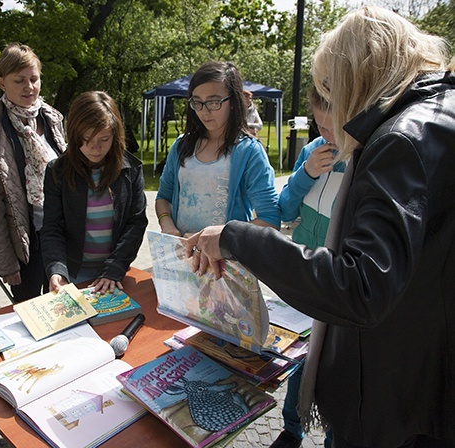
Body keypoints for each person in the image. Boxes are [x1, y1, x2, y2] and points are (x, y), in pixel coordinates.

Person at [186, 6, 455, 447]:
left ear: (355, 80)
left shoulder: (401, 139)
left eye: (330, 90)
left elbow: (361, 284)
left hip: (395, 402)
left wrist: (238, 235)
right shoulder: (440, 114)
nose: (327, 114)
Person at [270, 85, 344, 448]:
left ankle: (334, 435)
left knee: (335, 371)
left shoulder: (365, 161)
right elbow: (284, 209)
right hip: (303, 282)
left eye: (335, 129)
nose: (327, 137)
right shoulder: (313, 152)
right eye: (320, 128)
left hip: (337, 286)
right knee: (298, 364)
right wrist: (306, 173)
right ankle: (290, 429)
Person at [0, 43, 66, 302]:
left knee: (63, 307)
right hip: (25, 245)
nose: (29, 87)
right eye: (19, 81)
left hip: (59, 232)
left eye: (34, 79)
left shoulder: (51, 118)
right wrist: (6, 263)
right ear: (2, 83)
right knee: (31, 314)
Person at [155, 61, 280, 237]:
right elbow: (163, 197)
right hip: (183, 257)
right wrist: (167, 224)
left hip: (226, 261)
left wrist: (219, 237)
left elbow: (270, 219)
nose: (204, 111)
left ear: (234, 102)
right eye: (197, 102)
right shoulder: (182, 145)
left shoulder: (249, 152)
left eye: (214, 102)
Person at [41, 91, 148, 293]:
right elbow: (52, 228)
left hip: (115, 272)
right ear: (74, 135)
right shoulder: (57, 171)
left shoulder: (131, 170)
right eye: (87, 138)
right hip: (71, 273)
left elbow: (136, 223)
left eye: (104, 139)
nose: (95, 148)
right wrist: (57, 270)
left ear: (115, 136)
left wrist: (114, 268)